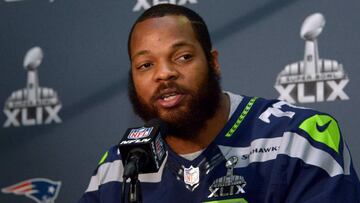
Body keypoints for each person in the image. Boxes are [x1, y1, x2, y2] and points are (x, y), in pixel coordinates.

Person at [78, 4, 360, 203]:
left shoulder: (297, 138)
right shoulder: (118, 167)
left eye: (183, 57)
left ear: (213, 62)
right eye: (145, 64)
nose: (163, 73)